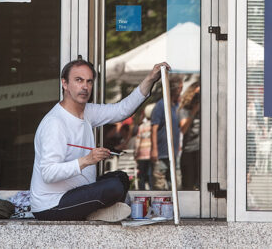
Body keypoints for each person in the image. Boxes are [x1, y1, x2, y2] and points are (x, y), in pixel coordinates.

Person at [29, 59, 168, 221]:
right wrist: (87, 160)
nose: (85, 87)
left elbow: (121, 110)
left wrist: (150, 79)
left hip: (77, 193)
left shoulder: (87, 111)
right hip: (52, 205)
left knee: (120, 178)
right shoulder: (55, 123)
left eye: (89, 81)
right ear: (65, 84)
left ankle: (96, 212)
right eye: (78, 80)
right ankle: (96, 212)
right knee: (113, 187)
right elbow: (48, 173)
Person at [150, 75, 182, 190]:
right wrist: (154, 149)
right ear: (175, 89)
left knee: (176, 184)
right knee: (160, 185)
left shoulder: (176, 106)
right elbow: (154, 128)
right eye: (180, 88)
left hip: (174, 152)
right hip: (162, 152)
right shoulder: (161, 105)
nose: (181, 91)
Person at [178, 83, 202, 190]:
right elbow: (183, 129)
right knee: (188, 186)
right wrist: (193, 112)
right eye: (196, 94)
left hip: (202, 152)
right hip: (189, 152)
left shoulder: (206, 110)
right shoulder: (185, 110)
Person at [133, 105, 155, 190]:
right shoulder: (154, 126)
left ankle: (141, 190)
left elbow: (137, 141)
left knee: (141, 174)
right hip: (150, 153)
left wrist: (136, 153)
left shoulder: (142, 126)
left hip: (141, 154)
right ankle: (151, 189)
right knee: (150, 174)